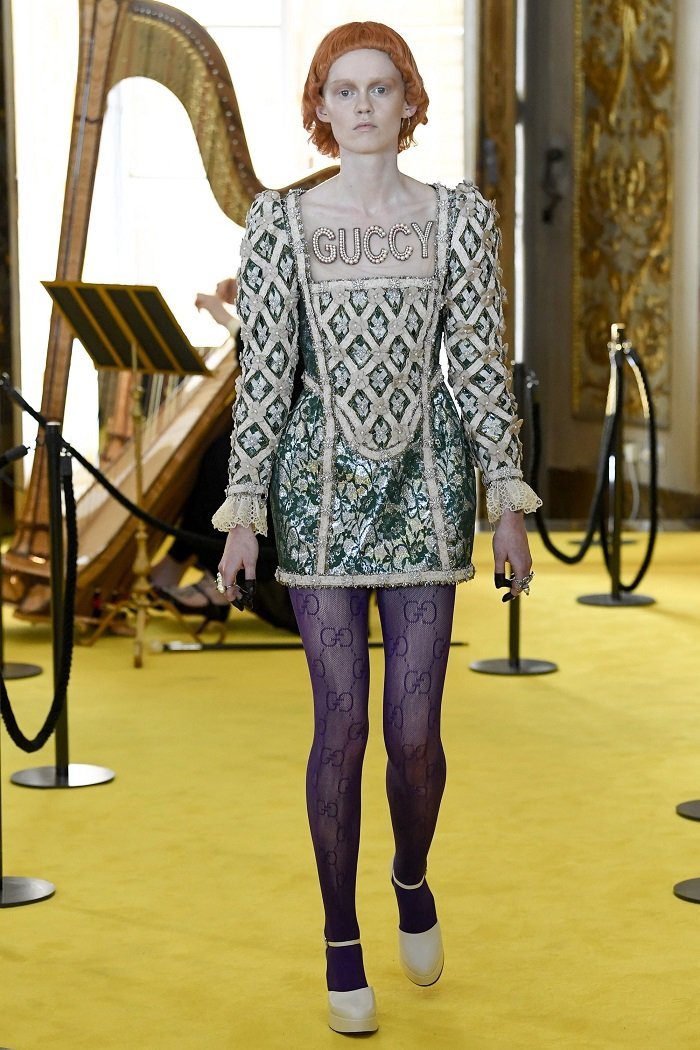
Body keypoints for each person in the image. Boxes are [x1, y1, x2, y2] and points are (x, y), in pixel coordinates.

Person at [213, 21, 540, 1035]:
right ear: (320, 108)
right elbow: (264, 375)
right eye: (344, 90)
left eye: (381, 88)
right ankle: (340, 941)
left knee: (413, 735)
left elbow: (477, 365)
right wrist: (242, 512)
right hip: (315, 493)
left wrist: (506, 500)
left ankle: (409, 873)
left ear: (408, 104)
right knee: (342, 726)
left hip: (426, 483)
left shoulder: (458, 219)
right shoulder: (280, 224)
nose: (363, 106)